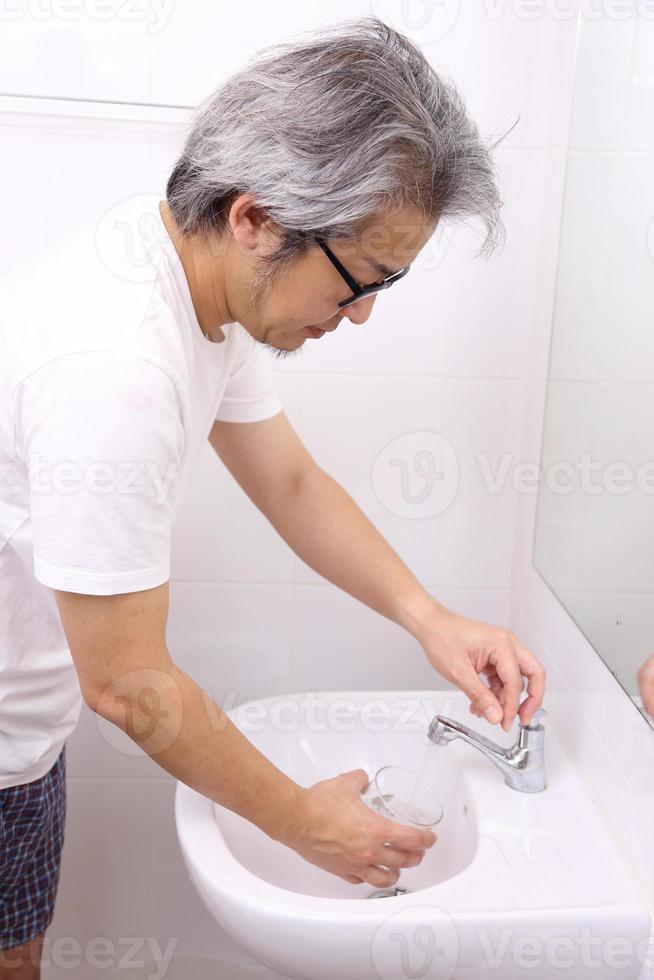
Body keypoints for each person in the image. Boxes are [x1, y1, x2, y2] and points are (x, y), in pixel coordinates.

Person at [0, 15, 545, 978]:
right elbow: (129, 685)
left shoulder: (185, 276)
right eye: (360, 281)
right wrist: (306, 825)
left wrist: (428, 619)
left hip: (22, 732)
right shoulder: (116, 365)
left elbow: (288, 480)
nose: (365, 314)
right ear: (256, 219)